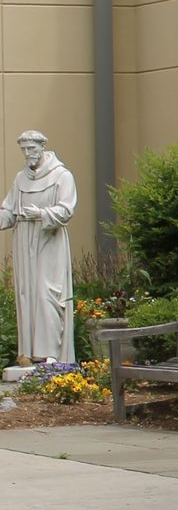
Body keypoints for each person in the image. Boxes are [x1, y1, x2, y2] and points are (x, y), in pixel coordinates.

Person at [0, 130, 78, 364]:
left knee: (48, 294)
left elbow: (66, 210)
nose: (27, 154)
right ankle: (30, 354)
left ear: (42, 147)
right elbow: (9, 210)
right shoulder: (20, 179)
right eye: (24, 150)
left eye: (31, 149)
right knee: (27, 295)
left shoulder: (62, 176)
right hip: (24, 241)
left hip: (48, 241)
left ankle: (51, 354)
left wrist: (42, 213)